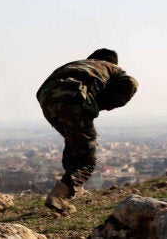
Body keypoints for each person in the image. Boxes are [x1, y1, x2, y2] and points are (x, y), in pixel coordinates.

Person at [36, 48, 138, 215]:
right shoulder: (111, 67)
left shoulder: (76, 64)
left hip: (46, 100)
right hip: (74, 98)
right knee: (87, 158)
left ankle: (75, 188)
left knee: (74, 142)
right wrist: (104, 103)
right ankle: (60, 195)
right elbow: (130, 83)